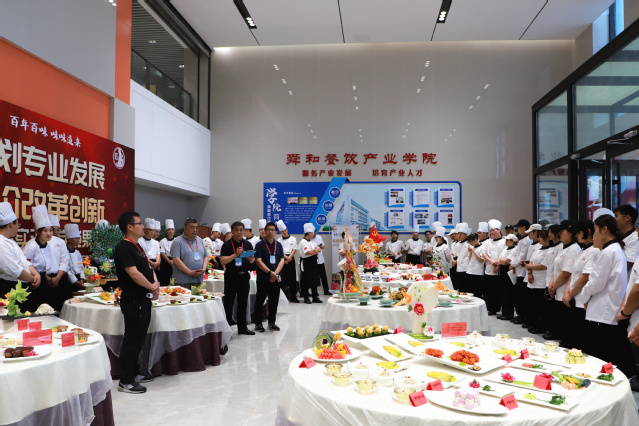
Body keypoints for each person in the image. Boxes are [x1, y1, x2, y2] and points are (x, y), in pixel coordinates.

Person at [580, 214, 633, 375]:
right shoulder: (616, 249)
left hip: (602, 310)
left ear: (604, 229)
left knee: (601, 357)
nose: (594, 234)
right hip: (608, 307)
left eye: (596, 230)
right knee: (609, 354)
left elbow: (596, 282)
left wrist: (584, 296)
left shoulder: (609, 251)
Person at [114, 211, 160, 394]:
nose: (143, 226)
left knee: (139, 338)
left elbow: (148, 268)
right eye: (139, 223)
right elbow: (134, 274)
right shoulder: (123, 247)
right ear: (130, 227)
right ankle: (125, 381)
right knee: (132, 340)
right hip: (134, 300)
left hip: (144, 298)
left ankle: (135, 372)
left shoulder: (137, 245)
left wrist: (155, 284)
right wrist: (151, 287)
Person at [22, 205, 71, 312]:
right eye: (45, 231)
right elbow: (24, 264)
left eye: (50, 230)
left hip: (44, 281)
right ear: (37, 231)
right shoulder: (31, 246)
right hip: (35, 282)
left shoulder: (47, 244)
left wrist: (51, 279)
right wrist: (35, 279)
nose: (49, 234)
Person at [562, 220, 599, 348]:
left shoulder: (594, 251)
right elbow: (573, 273)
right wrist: (567, 293)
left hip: (581, 300)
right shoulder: (582, 250)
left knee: (579, 341)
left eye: (578, 232)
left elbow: (585, 277)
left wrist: (570, 294)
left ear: (588, 232)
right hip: (572, 298)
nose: (576, 235)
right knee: (569, 339)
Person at [0, 202, 40, 305]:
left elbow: (24, 261)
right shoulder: (1, 242)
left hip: (23, 287)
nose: (18, 227)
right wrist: (33, 279)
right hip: (10, 289)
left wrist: (36, 274)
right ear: (11, 224)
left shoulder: (11, 241)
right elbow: (15, 270)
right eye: (18, 224)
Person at [547, 220, 580, 343]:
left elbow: (566, 273)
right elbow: (557, 269)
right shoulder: (563, 247)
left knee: (566, 330)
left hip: (565, 292)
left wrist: (553, 286)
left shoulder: (573, 249)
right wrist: (551, 283)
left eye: (562, 231)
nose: (559, 233)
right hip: (557, 291)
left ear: (571, 233)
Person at [220, 221, 255, 335]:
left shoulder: (248, 244)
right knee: (229, 303)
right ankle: (227, 328)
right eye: (236, 230)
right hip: (231, 276)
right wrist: (235, 255)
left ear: (244, 231)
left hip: (244, 276)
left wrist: (251, 259)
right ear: (232, 231)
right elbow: (223, 261)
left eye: (241, 230)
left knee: (243, 302)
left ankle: (242, 327)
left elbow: (252, 262)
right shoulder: (226, 245)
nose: (239, 232)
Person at [253, 222, 285, 332]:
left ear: (276, 232)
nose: (270, 232)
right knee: (260, 301)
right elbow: (258, 261)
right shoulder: (260, 245)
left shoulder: (278, 245)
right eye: (268, 230)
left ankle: (272, 322)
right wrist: (270, 272)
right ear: (265, 231)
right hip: (263, 278)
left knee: (274, 301)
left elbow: (282, 260)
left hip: (275, 278)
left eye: (272, 230)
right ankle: (258, 323)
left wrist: (275, 273)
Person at [525, 230, 551, 334]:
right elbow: (531, 261)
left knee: (541, 306)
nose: (538, 239)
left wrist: (529, 266)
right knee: (532, 305)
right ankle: (532, 323)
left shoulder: (549, 251)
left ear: (546, 238)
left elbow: (543, 266)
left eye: (540, 237)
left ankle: (541, 326)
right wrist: (529, 273)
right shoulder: (537, 249)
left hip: (542, 281)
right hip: (532, 280)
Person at [170, 218, 209, 287]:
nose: (195, 230)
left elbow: (206, 256)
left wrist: (203, 269)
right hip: (182, 281)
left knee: (198, 294)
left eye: (196, 228)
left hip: (198, 279)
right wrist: (190, 272)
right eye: (192, 228)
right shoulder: (177, 241)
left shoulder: (200, 240)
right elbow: (176, 260)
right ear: (185, 228)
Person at [510, 219, 532, 324]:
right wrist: (514, 263)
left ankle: (523, 316)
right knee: (518, 295)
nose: (517, 229)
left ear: (524, 227)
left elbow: (522, 256)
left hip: (523, 271)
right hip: (518, 270)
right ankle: (520, 315)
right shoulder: (522, 240)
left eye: (518, 227)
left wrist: (512, 264)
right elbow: (516, 254)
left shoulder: (527, 240)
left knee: (522, 295)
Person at [482, 219, 504, 315]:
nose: (492, 232)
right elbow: (483, 253)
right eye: (490, 230)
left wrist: (497, 265)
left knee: (498, 290)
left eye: (493, 230)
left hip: (499, 269)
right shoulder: (488, 242)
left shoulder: (504, 241)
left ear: (499, 230)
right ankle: (491, 308)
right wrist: (490, 261)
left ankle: (497, 307)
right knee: (489, 290)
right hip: (489, 269)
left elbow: (503, 254)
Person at [299, 223, 322, 304]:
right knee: (306, 280)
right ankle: (306, 297)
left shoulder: (312, 241)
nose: (314, 234)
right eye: (313, 233)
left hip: (313, 262)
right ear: (309, 233)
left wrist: (314, 251)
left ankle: (315, 297)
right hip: (306, 263)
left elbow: (319, 249)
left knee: (314, 279)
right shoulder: (303, 242)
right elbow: (308, 252)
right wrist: (314, 251)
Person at [277, 220, 299, 302]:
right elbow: (279, 251)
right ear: (280, 232)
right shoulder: (279, 240)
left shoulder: (293, 238)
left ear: (287, 229)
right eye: (282, 231)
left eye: (285, 230)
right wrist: (286, 258)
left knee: (292, 279)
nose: (284, 232)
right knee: (283, 279)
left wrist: (289, 258)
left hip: (291, 259)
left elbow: (294, 249)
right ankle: (284, 298)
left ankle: (293, 297)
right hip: (282, 259)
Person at [614, 204, 639, 272]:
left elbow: (627, 264)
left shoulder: (635, 238)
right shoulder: (620, 236)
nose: (614, 219)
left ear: (627, 218)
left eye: (616, 216)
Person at [64, 224, 85, 291]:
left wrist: (82, 278)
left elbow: (81, 267)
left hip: (79, 279)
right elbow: (66, 269)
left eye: (78, 238)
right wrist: (74, 281)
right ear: (69, 239)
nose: (78, 240)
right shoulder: (64, 252)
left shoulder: (78, 252)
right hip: (68, 280)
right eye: (76, 238)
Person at [312, 229, 330, 295]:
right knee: (315, 277)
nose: (315, 234)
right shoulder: (309, 239)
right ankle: (315, 292)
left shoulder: (319, 237)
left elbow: (323, 246)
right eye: (313, 233)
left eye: (315, 232)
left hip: (320, 260)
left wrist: (321, 246)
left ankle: (326, 290)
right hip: (313, 261)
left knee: (323, 276)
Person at [158, 219, 175, 286]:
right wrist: (169, 261)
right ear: (166, 231)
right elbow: (162, 253)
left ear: (174, 231)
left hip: (175, 261)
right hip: (166, 262)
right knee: (165, 281)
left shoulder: (177, 240)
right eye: (169, 230)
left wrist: (174, 261)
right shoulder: (162, 241)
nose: (170, 231)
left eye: (172, 230)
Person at [454, 223, 470, 293]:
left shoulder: (469, 243)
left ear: (466, 234)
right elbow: (455, 255)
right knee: (459, 289)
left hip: (466, 269)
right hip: (459, 268)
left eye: (461, 234)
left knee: (466, 289)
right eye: (458, 234)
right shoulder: (457, 244)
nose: (459, 235)